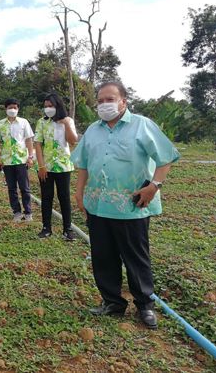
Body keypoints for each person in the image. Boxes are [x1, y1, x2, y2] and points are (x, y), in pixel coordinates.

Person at [71, 81, 180, 329]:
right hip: (98, 205)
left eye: (109, 99)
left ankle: (145, 305)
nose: (104, 104)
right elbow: (84, 164)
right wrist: (79, 193)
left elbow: (166, 157)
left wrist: (154, 186)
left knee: (136, 257)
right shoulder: (93, 130)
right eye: (99, 101)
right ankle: (112, 302)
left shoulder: (141, 125)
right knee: (103, 255)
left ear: (123, 101)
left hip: (132, 205)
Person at [34, 92, 78, 240]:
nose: (48, 109)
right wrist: (41, 166)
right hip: (46, 166)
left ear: (57, 106)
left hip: (63, 166)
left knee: (64, 197)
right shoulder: (41, 122)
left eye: (50, 106)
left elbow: (72, 141)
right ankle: (46, 228)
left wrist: (65, 124)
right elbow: (38, 145)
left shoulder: (68, 121)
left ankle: (68, 229)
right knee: (46, 197)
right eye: (45, 106)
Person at [0, 98, 35, 222]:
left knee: (25, 188)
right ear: (6, 109)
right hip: (7, 161)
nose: (13, 110)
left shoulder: (24, 122)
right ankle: (17, 212)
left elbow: (29, 140)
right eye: (10, 107)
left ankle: (28, 213)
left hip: (22, 160)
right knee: (11, 188)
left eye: (15, 107)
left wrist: (30, 157)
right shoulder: (0, 124)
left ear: (18, 109)